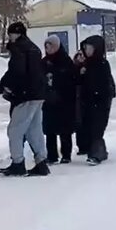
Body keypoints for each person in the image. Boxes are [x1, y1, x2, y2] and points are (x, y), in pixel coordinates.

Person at [0, 22, 49, 176]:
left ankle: (18, 163)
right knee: (34, 130)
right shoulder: (33, 48)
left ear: (17, 34)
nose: (9, 37)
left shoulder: (19, 48)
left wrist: (3, 85)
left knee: (15, 130)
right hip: (38, 94)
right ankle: (41, 163)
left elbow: (16, 71)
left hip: (26, 95)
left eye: (10, 34)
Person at [77, 34, 115, 164]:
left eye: (89, 48)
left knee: (97, 128)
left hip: (100, 101)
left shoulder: (102, 64)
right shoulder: (86, 64)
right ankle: (95, 150)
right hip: (88, 101)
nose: (87, 51)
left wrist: (99, 94)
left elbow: (105, 84)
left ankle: (96, 154)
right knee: (88, 127)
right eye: (86, 48)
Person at [41, 35, 77, 164]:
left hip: (64, 101)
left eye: (51, 46)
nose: (48, 49)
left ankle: (66, 154)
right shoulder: (44, 62)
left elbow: (72, 80)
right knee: (49, 130)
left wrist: (62, 92)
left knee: (65, 130)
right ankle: (52, 155)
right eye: (46, 47)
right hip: (48, 101)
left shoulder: (66, 61)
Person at [72, 50, 88, 156]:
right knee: (79, 123)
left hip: (85, 98)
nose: (81, 57)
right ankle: (81, 146)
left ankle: (87, 145)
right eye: (79, 55)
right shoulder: (74, 68)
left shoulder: (88, 67)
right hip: (77, 98)